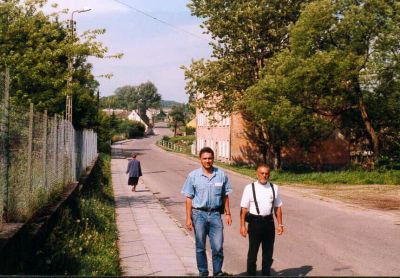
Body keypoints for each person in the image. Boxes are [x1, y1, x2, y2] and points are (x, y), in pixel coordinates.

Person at [181, 147, 233, 276]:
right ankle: (203, 273)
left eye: (210, 158)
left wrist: (228, 213)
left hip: (215, 215)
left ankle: (217, 272)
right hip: (199, 215)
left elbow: (225, 195)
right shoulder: (193, 176)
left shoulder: (221, 175)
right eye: (205, 158)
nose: (207, 161)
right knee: (200, 247)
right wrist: (188, 218)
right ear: (200, 160)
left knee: (218, 247)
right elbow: (188, 198)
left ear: (213, 159)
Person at [239, 164, 284, 276]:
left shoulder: (274, 188)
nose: (264, 176)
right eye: (262, 173)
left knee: (268, 253)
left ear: (269, 174)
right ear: (257, 174)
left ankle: (266, 273)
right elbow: (244, 209)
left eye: (266, 173)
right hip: (255, 222)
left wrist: (280, 225)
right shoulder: (249, 188)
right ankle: (251, 273)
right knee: (253, 252)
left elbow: (277, 208)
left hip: (269, 223)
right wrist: (242, 226)